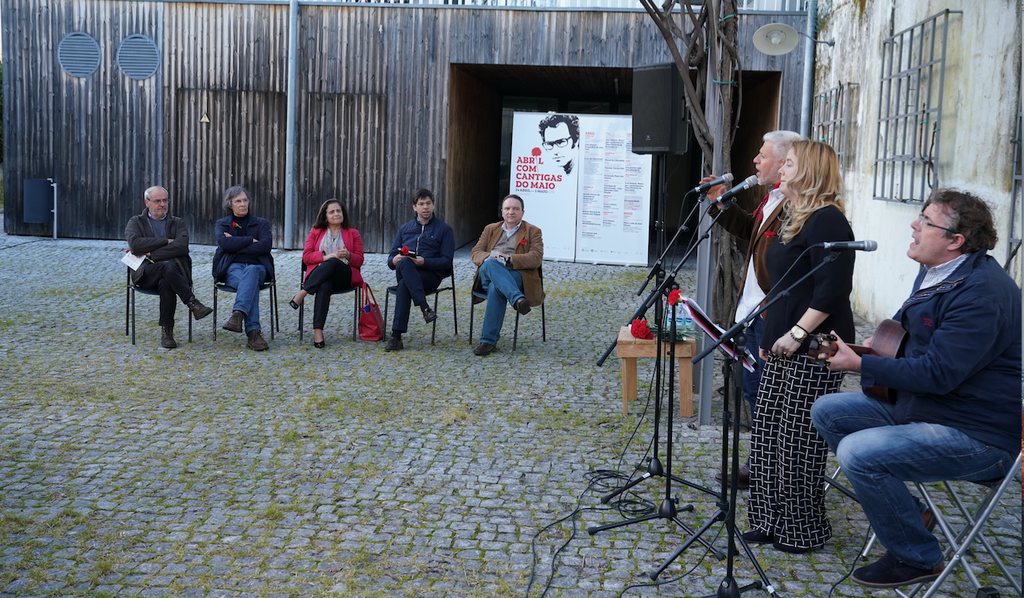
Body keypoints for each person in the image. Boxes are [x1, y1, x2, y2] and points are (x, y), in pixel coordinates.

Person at [810, 188, 1021, 589]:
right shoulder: (939, 271)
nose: (913, 224)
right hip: (929, 408)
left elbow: (939, 373)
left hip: (978, 434)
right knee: (828, 410)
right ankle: (909, 512)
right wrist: (866, 349)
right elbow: (914, 341)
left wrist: (860, 364)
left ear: (955, 241)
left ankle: (916, 556)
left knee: (860, 453)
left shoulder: (981, 294)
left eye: (926, 221)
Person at [741, 139, 856, 554]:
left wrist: (796, 335)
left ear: (810, 171)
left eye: (789, 163)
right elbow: (783, 288)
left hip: (812, 347)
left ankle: (802, 530)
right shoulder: (792, 215)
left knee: (799, 441)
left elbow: (831, 290)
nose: (782, 168)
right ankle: (769, 520)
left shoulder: (829, 221)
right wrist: (774, 336)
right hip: (781, 342)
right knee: (769, 433)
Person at [706, 130, 805, 488]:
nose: (755, 161)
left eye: (763, 156)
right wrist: (721, 203)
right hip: (752, 312)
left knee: (767, 396)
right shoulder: (771, 200)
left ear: (784, 164)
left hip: (770, 315)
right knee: (753, 393)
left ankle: (765, 467)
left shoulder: (795, 207)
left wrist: (767, 307)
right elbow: (751, 232)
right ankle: (760, 464)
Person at [125, 186, 213, 349]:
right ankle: (192, 302)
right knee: (166, 268)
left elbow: (181, 247)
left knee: (167, 279)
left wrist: (152, 252)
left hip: (173, 273)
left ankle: (167, 332)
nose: (162, 204)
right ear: (147, 202)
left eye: (165, 200)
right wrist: (165, 240)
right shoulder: (136, 222)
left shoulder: (177, 222)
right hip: (146, 273)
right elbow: (136, 246)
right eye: (157, 201)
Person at [469, 194, 545, 356]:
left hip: (515, 276)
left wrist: (509, 259)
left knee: (497, 287)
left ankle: (487, 342)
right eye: (508, 208)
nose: (511, 212)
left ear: (522, 213)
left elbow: (536, 258)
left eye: (515, 209)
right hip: (488, 273)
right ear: (502, 212)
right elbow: (475, 253)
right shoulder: (490, 229)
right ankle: (518, 299)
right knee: (490, 263)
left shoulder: (533, 231)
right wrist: (492, 258)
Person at [384, 189, 454, 352]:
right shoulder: (405, 229)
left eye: (428, 203)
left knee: (403, 285)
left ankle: (396, 337)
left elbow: (446, 262)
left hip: (429, 275)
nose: (425, 207)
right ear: (414, 207)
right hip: (406, 270)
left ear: (433, 205)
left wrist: (424, 262)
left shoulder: (444, 230)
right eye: (421, 204)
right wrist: (394, 260)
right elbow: (391, 259)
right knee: (406, 262)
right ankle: (425, 308)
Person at [290, 199, 364, 348]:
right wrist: (324, 257)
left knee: (335, 261)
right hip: (320, 277)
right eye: (332, 212)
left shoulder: (353, 233)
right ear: (325, 216)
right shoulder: (315, 232)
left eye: (339, 211)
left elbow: (360, 260)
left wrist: (348, 255)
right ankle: (318, 333)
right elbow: (307, 257)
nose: (336, 214)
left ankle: (303, 292)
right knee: (324, 284)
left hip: (344, 276)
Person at [212, 185, 274, 351]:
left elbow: (265, 247)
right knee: (250, 285)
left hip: (259, 267)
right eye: (238, 201)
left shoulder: (261, 223)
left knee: (252, 271)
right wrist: (250, 240)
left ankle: (238, 314)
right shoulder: (223, 224)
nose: (242, 204)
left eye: (245, 200)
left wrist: (235, 244)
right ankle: (253, 333)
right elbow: (224, 243)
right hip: (232, 268)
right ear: (230, 204)